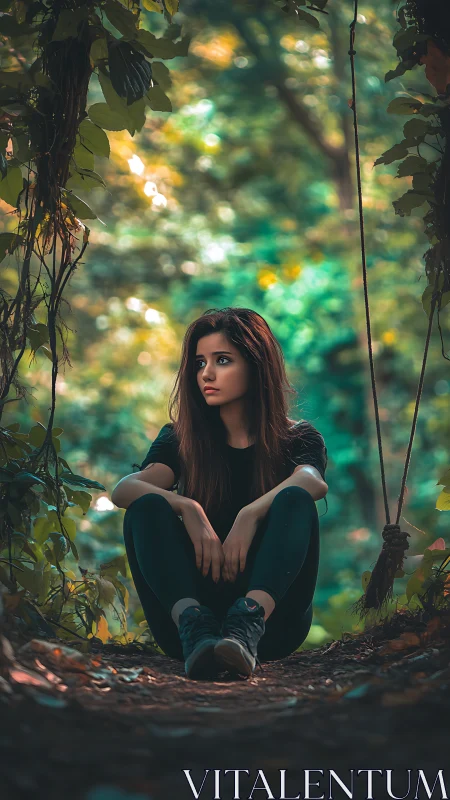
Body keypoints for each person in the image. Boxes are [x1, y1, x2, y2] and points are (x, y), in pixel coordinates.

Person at [112, 307, 329, 681]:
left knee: (294, 499)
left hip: (273, 628)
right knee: (145, 506)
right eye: (199, 363)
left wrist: (252, 514)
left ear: (256, 366)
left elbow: (312, 480)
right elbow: (125, 489)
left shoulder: (297, 438)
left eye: (222, 360)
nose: (206, 374)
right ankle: (196, 623)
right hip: (189, 634)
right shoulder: (181, 439)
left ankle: (246, 621)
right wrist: (187, 506)